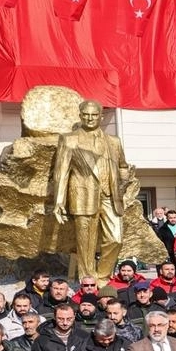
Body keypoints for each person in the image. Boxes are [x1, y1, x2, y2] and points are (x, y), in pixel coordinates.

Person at [49, 99, 133, 280]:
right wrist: (59, 201)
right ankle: (87, 280)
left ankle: (102, 277)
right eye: (86, 114)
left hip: (110, 196)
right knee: (86, 243)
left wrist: (122, 185)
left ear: (101, 117)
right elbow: (61, 173)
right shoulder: (69, 139)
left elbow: (123, 166)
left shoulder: (113, 141)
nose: (90, 118)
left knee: (116, 239)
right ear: (80, 116)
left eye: (94, 115)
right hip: (83, 195)